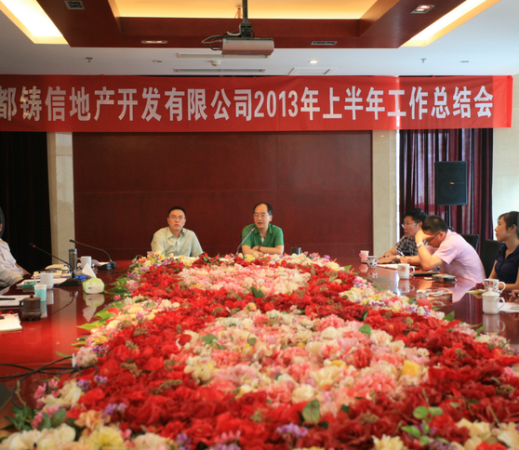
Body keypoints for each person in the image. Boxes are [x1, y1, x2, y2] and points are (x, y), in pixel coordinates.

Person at [401, 215, 485, 284]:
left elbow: (427, 265)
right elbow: (424, 258)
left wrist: (419, 241)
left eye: (428, 239)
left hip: (472, 286)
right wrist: (406, 259)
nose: (427, 242)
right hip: (454, 282)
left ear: (440, 235)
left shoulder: (452, 241)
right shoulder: (439, 240)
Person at [489, 211, 519, 291]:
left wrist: (492, 285)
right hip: (497, 293)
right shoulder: (502, 249)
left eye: (499, 224)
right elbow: (492, 277)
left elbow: (517, 286)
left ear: (512, 228)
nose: (495, 229)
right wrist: (489, 284)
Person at [0, 222, 30, 287]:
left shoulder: (4, 244)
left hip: (18, 278)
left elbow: (14, 264)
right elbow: (3, 272)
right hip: (10, 282)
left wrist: (29, 276)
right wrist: (21, 280)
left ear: (0, 227)